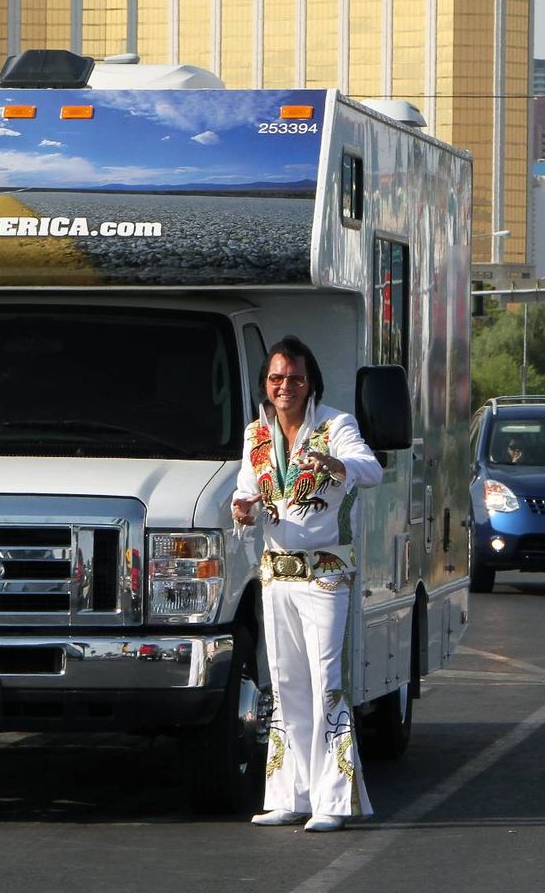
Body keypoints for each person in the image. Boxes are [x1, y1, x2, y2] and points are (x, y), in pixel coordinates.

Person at [231, 336, 385, 832]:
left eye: (294, 378)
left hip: (325, 576)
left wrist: (339, 465)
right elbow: (246, 488)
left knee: (326, 683)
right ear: (266, 384)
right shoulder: (256, 434)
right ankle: (289, 794)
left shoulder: (334, 425)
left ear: (310, 382)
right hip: (277, 575)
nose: (285, 387)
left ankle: (333, 800)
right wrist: (243, 509)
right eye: (277, 378)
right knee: (286, 682)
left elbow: (372, 470)